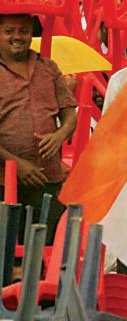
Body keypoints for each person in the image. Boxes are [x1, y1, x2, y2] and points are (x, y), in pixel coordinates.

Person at [0, 14, 77, 243]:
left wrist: (59, 136)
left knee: (46, 248)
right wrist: (16, 164)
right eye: (9, 31)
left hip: (47, 177)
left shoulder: (49, 68)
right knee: (7, 253)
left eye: (23, 31)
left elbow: (70, 113)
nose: (17, 37)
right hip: (4, 181)